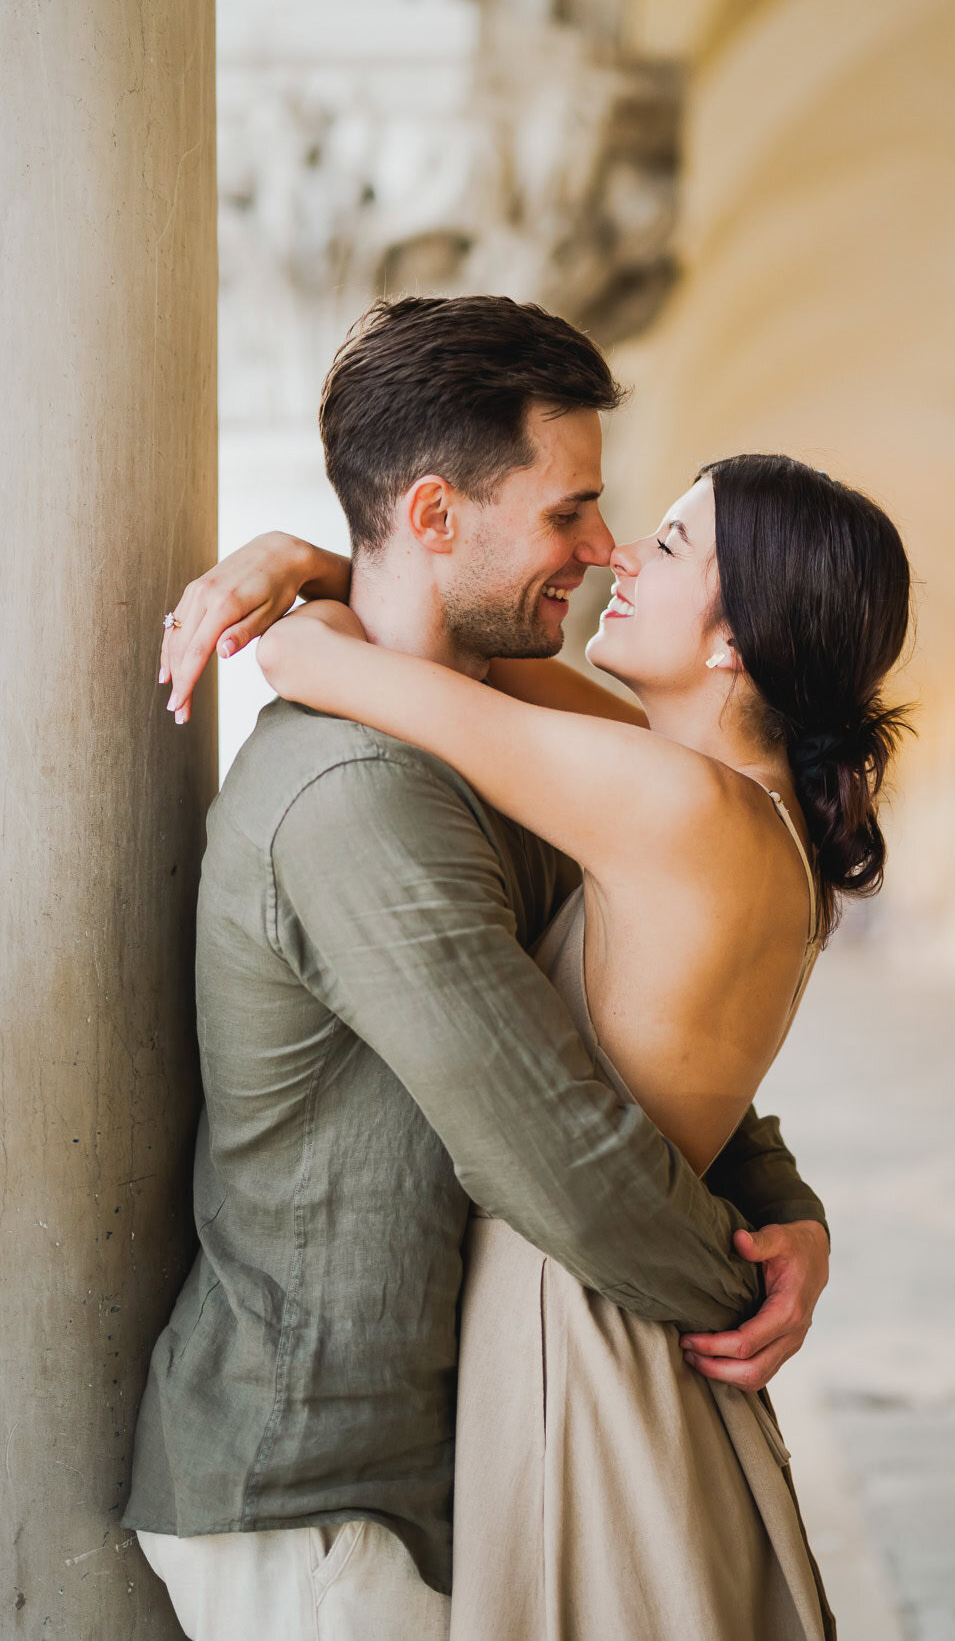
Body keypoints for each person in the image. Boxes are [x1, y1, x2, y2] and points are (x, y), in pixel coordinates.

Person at [125, 295, 836, 1641]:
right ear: (442, 516)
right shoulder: (360, 788)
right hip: (325, 1504)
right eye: (570, 514)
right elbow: (558, 1143)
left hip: (424, 1477)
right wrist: (744, 1283)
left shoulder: (510, 754)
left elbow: (638, 1029)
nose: (603, 550)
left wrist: (777, 1199)